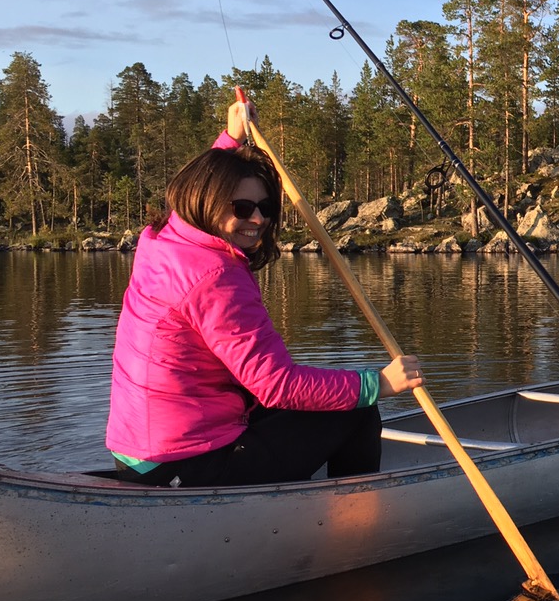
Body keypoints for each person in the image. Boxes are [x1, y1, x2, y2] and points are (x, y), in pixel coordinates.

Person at [106, 96, 424, 487]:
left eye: (266, 206)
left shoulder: (162, 239)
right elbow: (277, 385)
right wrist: (379, 384)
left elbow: (200, 190)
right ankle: (353, 513)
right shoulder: (217, 276)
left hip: (138, 452)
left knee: (315, 401)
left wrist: (231, 140)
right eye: (242, 207)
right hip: (184, 461)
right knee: (358, 409)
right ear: (207, 203)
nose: (257, 218)